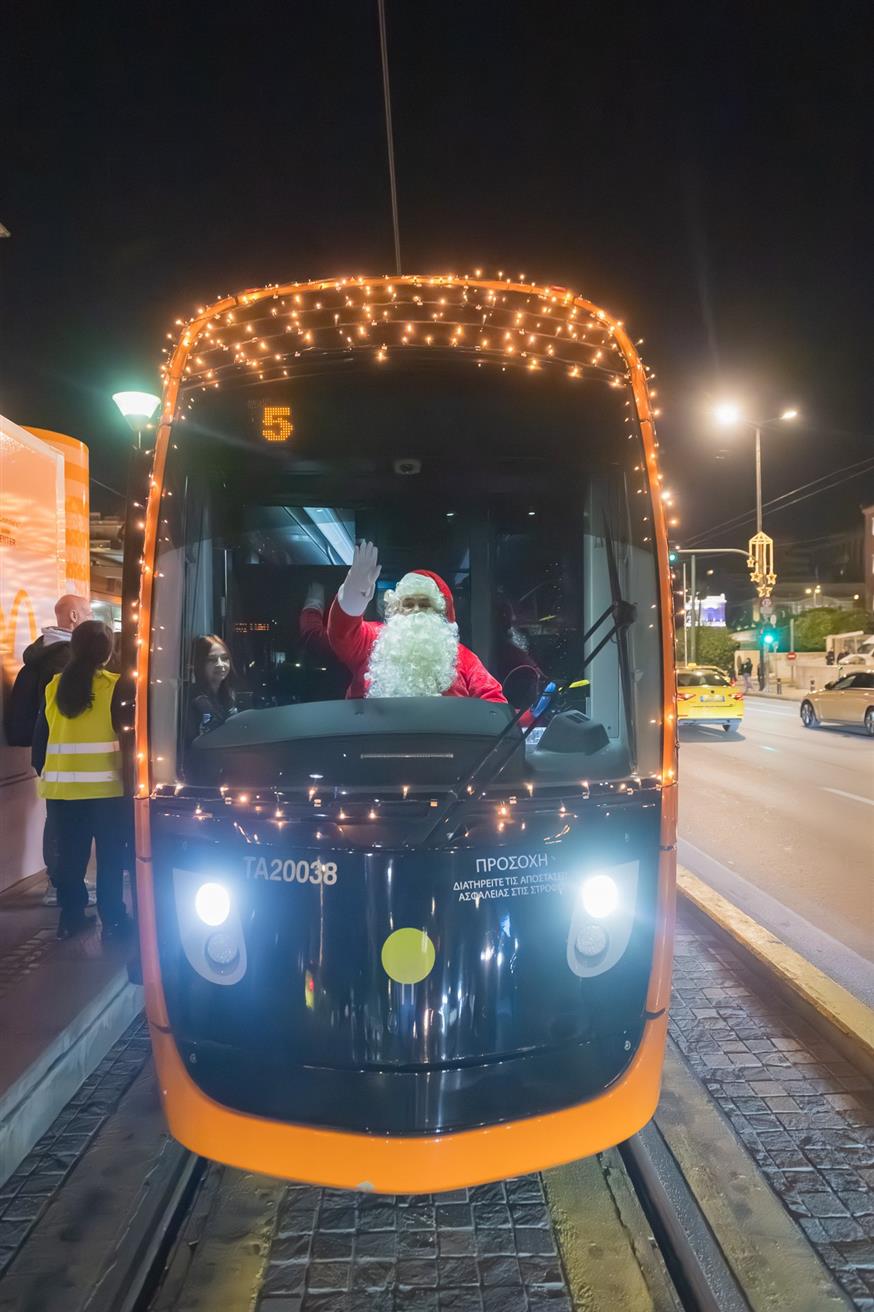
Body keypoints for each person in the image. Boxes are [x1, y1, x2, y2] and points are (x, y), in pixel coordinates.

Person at [35, 620, 133, 941]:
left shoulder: (54, 686)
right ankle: (114, 920)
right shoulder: (116, 686)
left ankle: (71, 917)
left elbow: (42, 739)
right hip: (106, 790)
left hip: (62, 791)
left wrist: (45, 773)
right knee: (109, 858)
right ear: (108, 652)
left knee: (71, 858)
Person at [326, 541, 506, 701]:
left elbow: (492, 701)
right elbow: (343, 633)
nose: (416, 610)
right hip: (377, 737)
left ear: (438, 612)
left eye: (425, 604)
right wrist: (354, 593)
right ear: (395, 609)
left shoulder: (459, 656)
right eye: (408, 603)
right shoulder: (375, 641)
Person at [4, 594, 93, 907]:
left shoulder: (45, 652)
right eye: (87, 612)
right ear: (72, 616)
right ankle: (60, 884)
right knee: (62, 821)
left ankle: (62, 881)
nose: (91, 617)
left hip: (52, 752)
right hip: (64, 752)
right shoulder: (64, 658)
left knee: (58, 817)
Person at [187, 635, 238, 743]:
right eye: (212, 660)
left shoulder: (229, 694)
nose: (221, 664)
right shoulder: (194, 700)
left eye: (224, 658)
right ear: (199, 664)